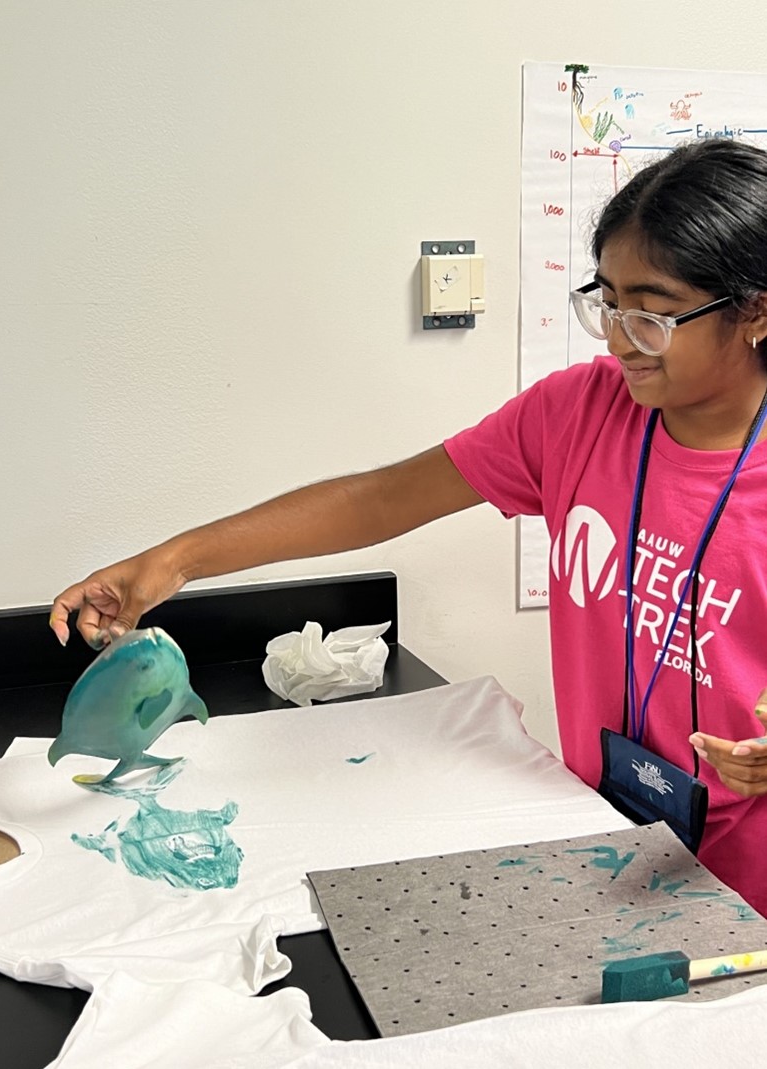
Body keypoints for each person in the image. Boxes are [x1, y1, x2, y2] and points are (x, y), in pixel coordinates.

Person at [51, 137, 767, 916]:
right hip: (609, 839)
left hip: (748, 883)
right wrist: (175, 561)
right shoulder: (579, 413)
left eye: (654, 316)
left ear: (757, 310)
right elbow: (380, 499)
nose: (622, 338)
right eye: (608, 303)